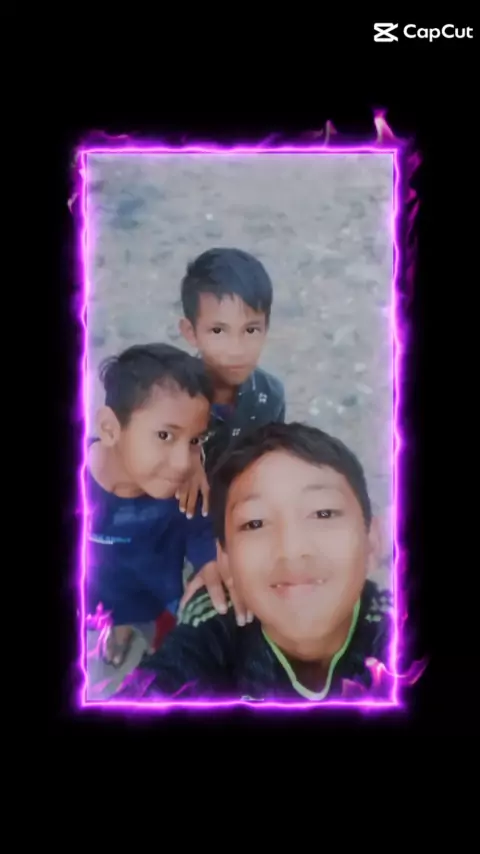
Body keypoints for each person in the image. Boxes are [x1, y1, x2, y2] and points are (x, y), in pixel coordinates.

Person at [118, 422, 393, 702]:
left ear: (371, 541)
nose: (292, 549)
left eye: (323, 513)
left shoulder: (393, 626)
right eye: (255, 523)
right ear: (225, 561)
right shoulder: (212, 626)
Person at [85, 343, 218, 700]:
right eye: (165, 436)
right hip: (93, 591)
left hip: (154, 594)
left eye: (195, 441)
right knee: (107, 614)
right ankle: (117, 629)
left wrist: (210, 560)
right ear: (110, 428)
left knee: (157, 631)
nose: (183, 462)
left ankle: (137, 635)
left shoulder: (182, 488)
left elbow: (200, 526)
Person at [176, 247, 286, 620]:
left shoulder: (270, 395)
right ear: (190, 332)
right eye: (218, 331)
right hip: (173, 516)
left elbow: (268, 461)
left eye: (251, 330)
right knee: (165, 593)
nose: (237, 349)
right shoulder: (170, 396)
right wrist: (186, 449)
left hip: (234, 510)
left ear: (266, 327)